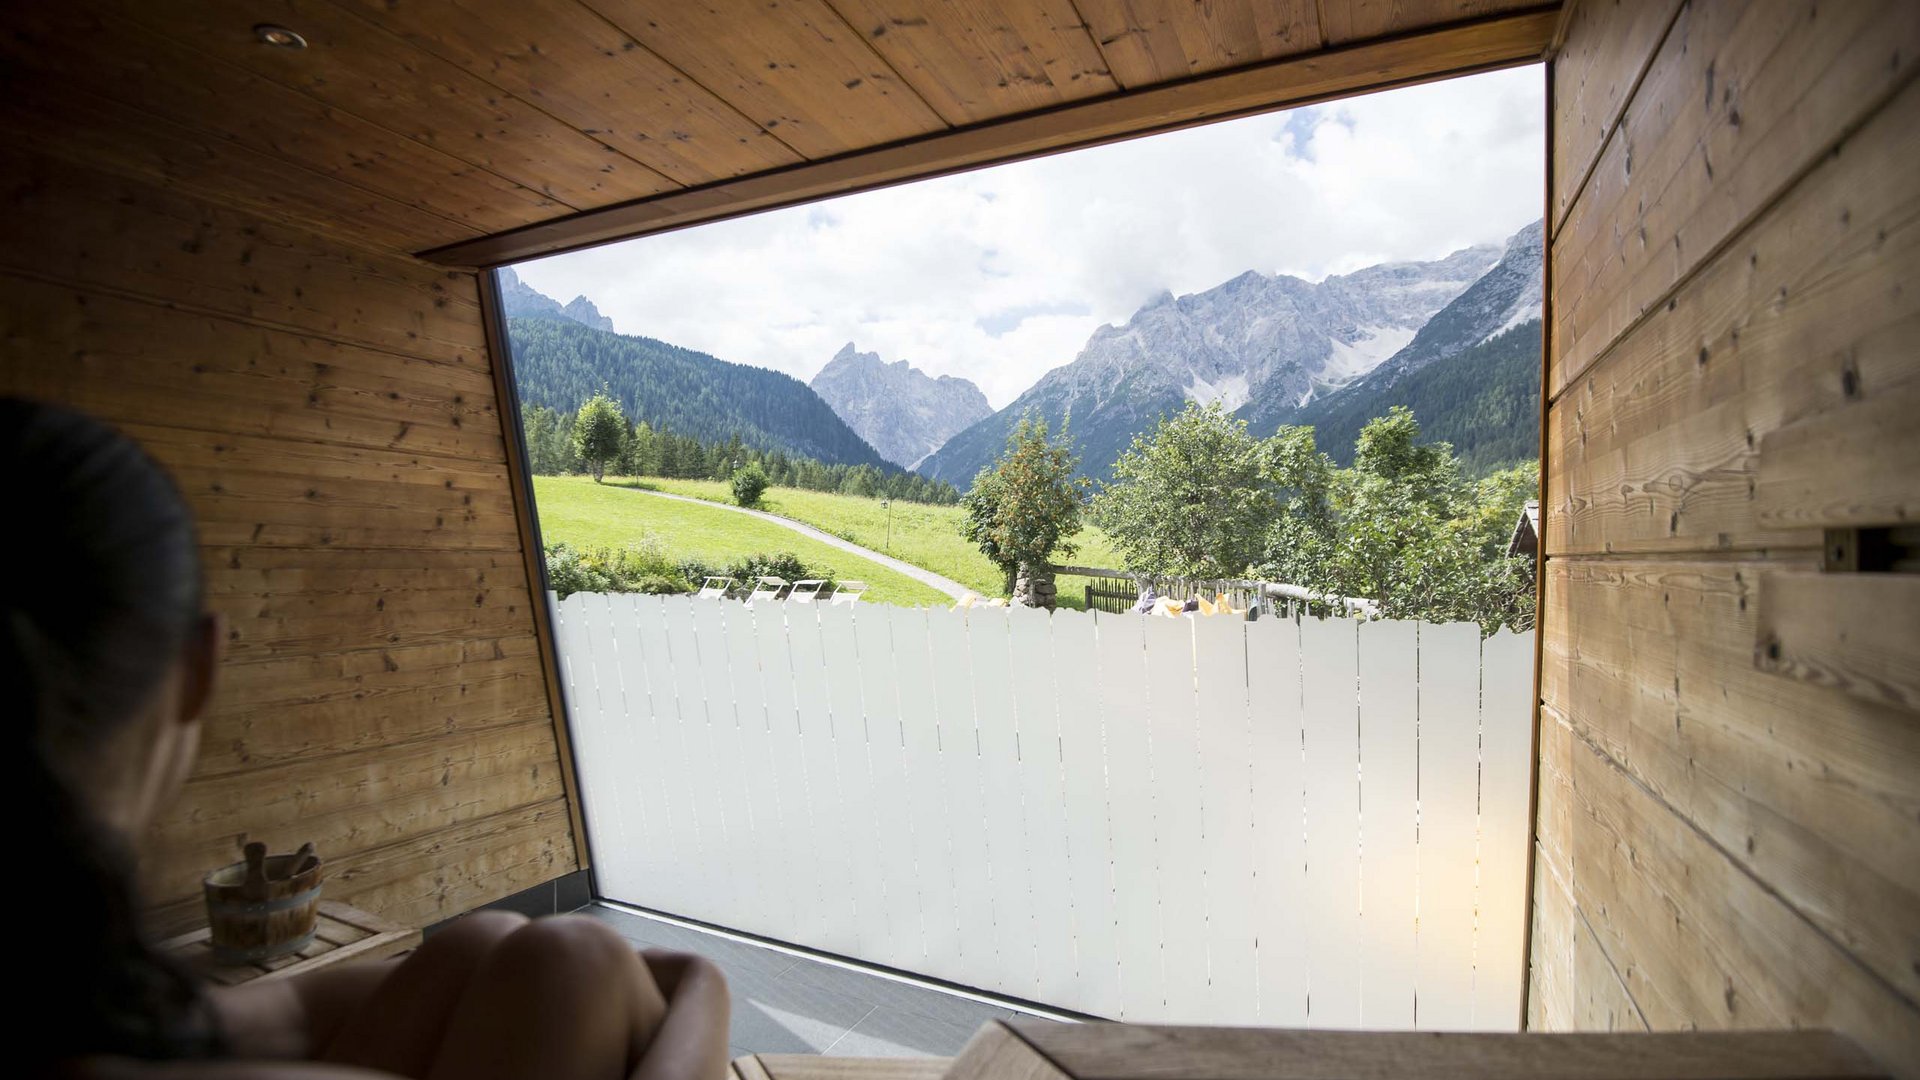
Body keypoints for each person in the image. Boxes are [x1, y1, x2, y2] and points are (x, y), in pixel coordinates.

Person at [10, 399, 729, 1080]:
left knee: (497, 945)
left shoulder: (86, 1003)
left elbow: (290, 1009)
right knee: (579, 962)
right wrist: (705, 985)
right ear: (198, 667)